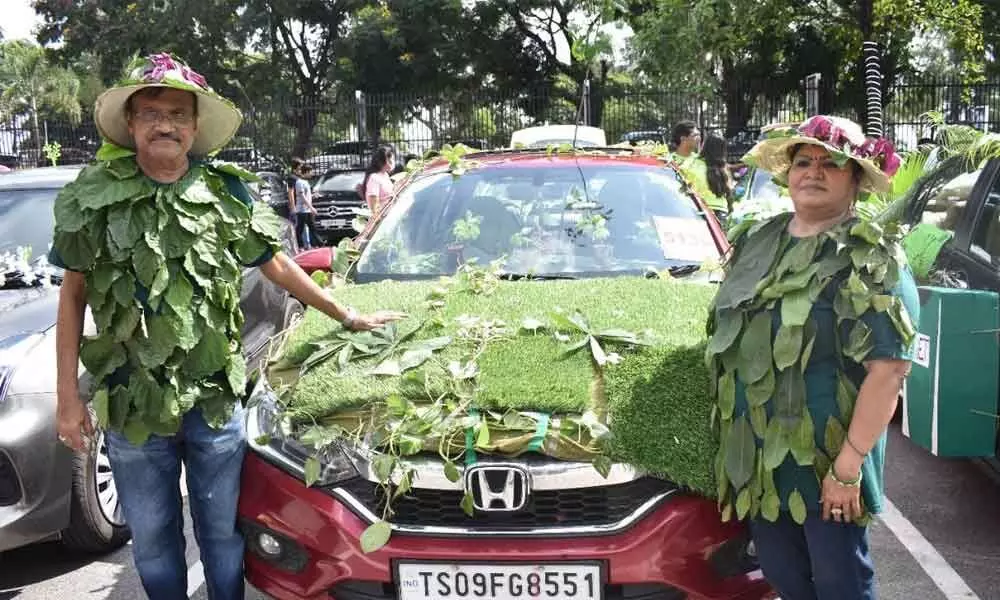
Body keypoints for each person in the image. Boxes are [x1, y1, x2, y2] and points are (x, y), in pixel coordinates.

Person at [49, 53, 404, 600]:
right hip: (131, 401)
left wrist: (346, 314)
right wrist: (67, 396)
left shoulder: (226, 192)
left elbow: (279, 266)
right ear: (131, 124)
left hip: (214, 396)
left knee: (220, 532)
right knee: (152, 537)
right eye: (150, 113)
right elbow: (72, 296)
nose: (164, 123)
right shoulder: (92, 197)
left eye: (176, 113)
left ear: (193, 127)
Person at [705, 115, 917, 600]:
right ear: (787, 173)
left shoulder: (872, 256)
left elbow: (888, 371)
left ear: (857, 179)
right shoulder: (760, 241)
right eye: (804, 162)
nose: (814, 172)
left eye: (831, 164)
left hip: (827, 463)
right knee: (784, 580)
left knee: (841, 585)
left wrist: (847, 469)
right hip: (762, 461)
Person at [701, 133, 736, 220]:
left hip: (702, 209)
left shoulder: (694, 164)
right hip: (722, 211)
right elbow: (729, 193)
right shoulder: (723, 169)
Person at [288, 159, 320, 249]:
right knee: (300, 228)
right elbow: (291, 193)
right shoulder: (293, 178)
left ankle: (311, 244)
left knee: (308, 227)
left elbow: (304, 194)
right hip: (300, 207)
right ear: (297, 166)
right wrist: (293, 206)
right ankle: (303, 245)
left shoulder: (300, 179)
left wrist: (312, 196)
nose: (302, 166)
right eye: (301, 165)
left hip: (305, 207)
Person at [360, 144, 396, 214]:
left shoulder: (385, 175)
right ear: (385, 160)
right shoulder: (374, 178)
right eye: (392, 159)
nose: (393, 162)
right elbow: (374, 207)